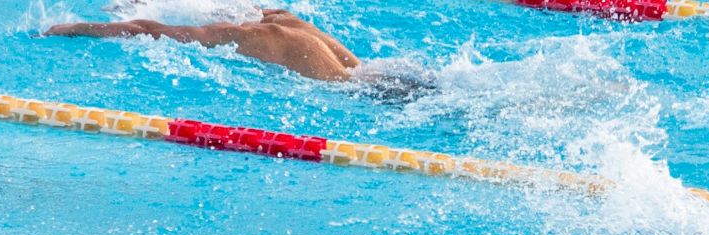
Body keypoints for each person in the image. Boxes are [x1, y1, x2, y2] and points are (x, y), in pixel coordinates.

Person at [46, 8, 436, 100]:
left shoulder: (223, 32)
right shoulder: (278, 17)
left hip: (367, 97)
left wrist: (75, 27)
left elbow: (145, 31)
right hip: (391, 76)